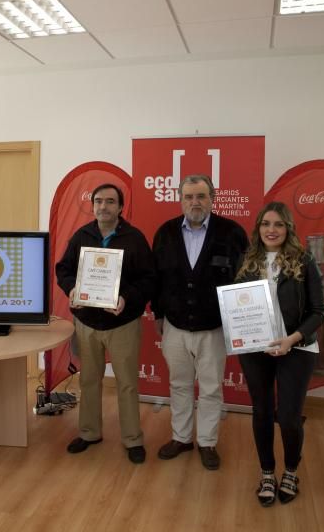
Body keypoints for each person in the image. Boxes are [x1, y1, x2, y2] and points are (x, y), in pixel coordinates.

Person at [152, 175, 248, 469]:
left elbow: (244, 278)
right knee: (179, 385)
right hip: (176, 327)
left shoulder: (232, 233)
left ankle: (207, 442)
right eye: (189, 196)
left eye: (201, 196)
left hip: (215, 328)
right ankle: (181, 438)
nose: (195, 202)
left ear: (213, 198)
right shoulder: (165, 233)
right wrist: (158, 313)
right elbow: (157, 278)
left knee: (210, 388)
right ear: (180, 199)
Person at [56, 183, 155, 464]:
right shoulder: (82, 235)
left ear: (120, 207)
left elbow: (149, 279)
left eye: (110, 202)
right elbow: (64, 269)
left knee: (126, 383)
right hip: (87, 322)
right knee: (88, 380)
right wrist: (72, 290)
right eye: (98, 201)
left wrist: (126, 298)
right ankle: (89, 433)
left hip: (122, 322)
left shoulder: (135, 238)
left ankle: (132, 438)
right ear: (93, 205)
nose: (103, 206)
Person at [235, 201, 324, 506]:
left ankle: (290, 470)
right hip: (256, 348)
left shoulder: (304, 260)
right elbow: (236, 304)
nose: (271, 230)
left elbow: (318, 311)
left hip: (297, 347)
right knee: (261, 412)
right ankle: (266, 472)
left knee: (288, 417)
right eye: (265, 224)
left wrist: (291, 339)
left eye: (277, 224)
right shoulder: (247, 260)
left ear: (288, 229)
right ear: (258, 228)